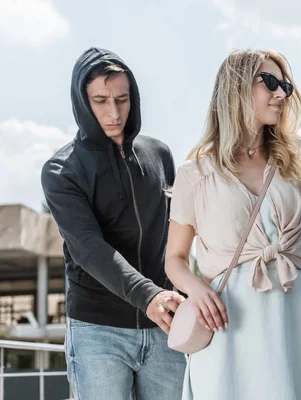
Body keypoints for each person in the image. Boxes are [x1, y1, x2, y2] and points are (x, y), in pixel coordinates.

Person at [165, 49, 301, 400]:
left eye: (286, 87)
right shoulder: (195, 174)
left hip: (295, 316)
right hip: (228, 320)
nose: (281, 94)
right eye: (271, 83)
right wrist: (197, 289)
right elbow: (174, 258)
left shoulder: (300, 167)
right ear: (236, 88)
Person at [41, 47, 186, 400]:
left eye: (122, 99)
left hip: (164, 326)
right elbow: (89, 248)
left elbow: (176, 236)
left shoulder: (160, 155)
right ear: (82, 101)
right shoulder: (62, 171)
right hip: (97, 330)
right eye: (101, 100)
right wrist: (148, 294)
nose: (114, 112)